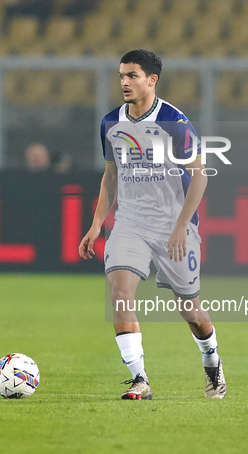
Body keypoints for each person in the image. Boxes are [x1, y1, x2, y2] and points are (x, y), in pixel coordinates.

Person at [78, 49, 226, 400]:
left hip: (173, 225)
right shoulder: (111, 123)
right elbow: (110, 175)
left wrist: (180, 226)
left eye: (132, 76)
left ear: (151, 80)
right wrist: (98, 222)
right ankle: (139, 379)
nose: (124, 83)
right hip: (129, 223)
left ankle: (212, 360)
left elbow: (200, 176)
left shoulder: (174, 121)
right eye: (121, 76)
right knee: (120, 292)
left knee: (190, 308)